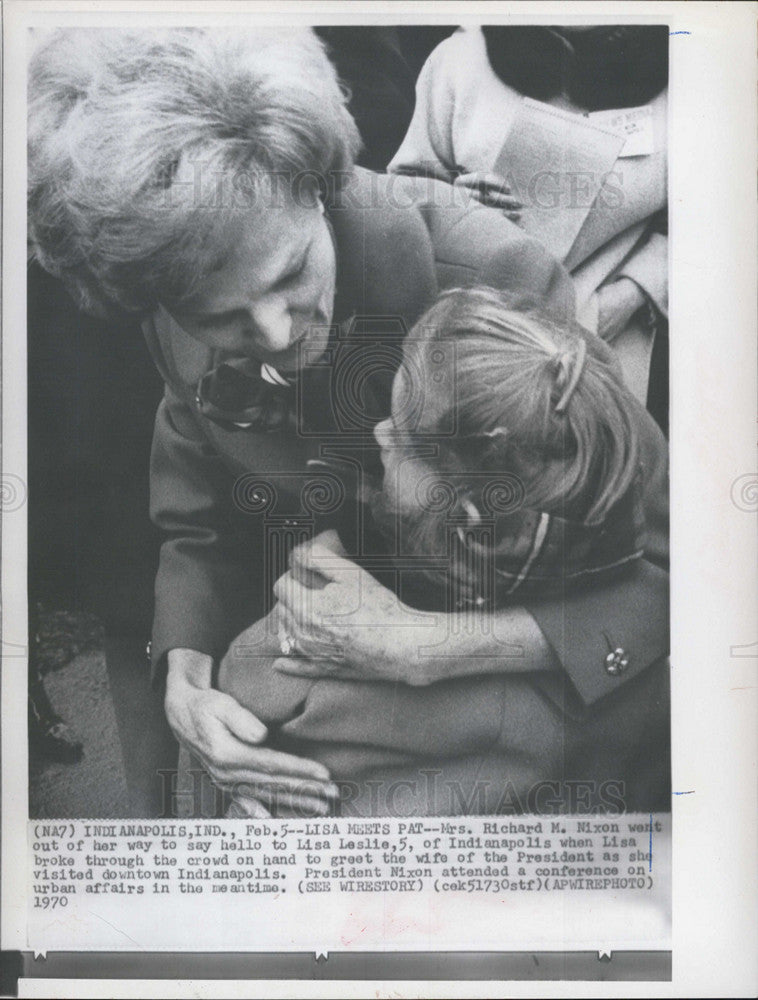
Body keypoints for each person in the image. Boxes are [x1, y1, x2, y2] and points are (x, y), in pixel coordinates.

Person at [28, 27, 665, 819]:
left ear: (321, 186)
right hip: (300, 687)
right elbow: (198, 528)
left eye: (291, 273)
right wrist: (185, 674)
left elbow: (674, 575)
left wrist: (428, 649)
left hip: (496, 726)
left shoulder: (498, 281)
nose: (272, 334)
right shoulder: (170, 321)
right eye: (215, 315)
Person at [219, 287, 670, 816]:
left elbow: (245, 682)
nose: (380, 432)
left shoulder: (323, 644)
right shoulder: (647, 692)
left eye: (405, 441)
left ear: (467, 519)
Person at [389, 26, 669, 432]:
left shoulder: (683, 63)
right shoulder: (460, 58)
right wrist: (455, 203)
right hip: (477, 333)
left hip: (619, 334)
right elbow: (402, 195)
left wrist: (636, 291)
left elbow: (710, 215)